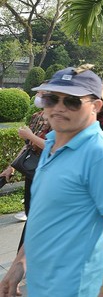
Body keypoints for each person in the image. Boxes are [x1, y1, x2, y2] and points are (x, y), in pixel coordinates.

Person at [0, 66, 103, 297]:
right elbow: (44, 214)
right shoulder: (50, 143)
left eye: (72, 101)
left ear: (96, 106)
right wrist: (20, 264)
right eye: (51, 99)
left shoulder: (101, 154)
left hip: (76, 286)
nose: (58, 108)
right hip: (43, 282)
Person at [0, 91, 50, 250]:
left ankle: (23, 257)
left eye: (42, 93)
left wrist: (31, 136)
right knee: (30, 211)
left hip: (49, 172)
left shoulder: (60, 120)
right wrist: (11, 167)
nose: (38, 96)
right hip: (32, 172)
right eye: (38, 93)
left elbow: (55, 148)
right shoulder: (36, 117)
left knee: (36, 216)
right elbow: (28, 146)